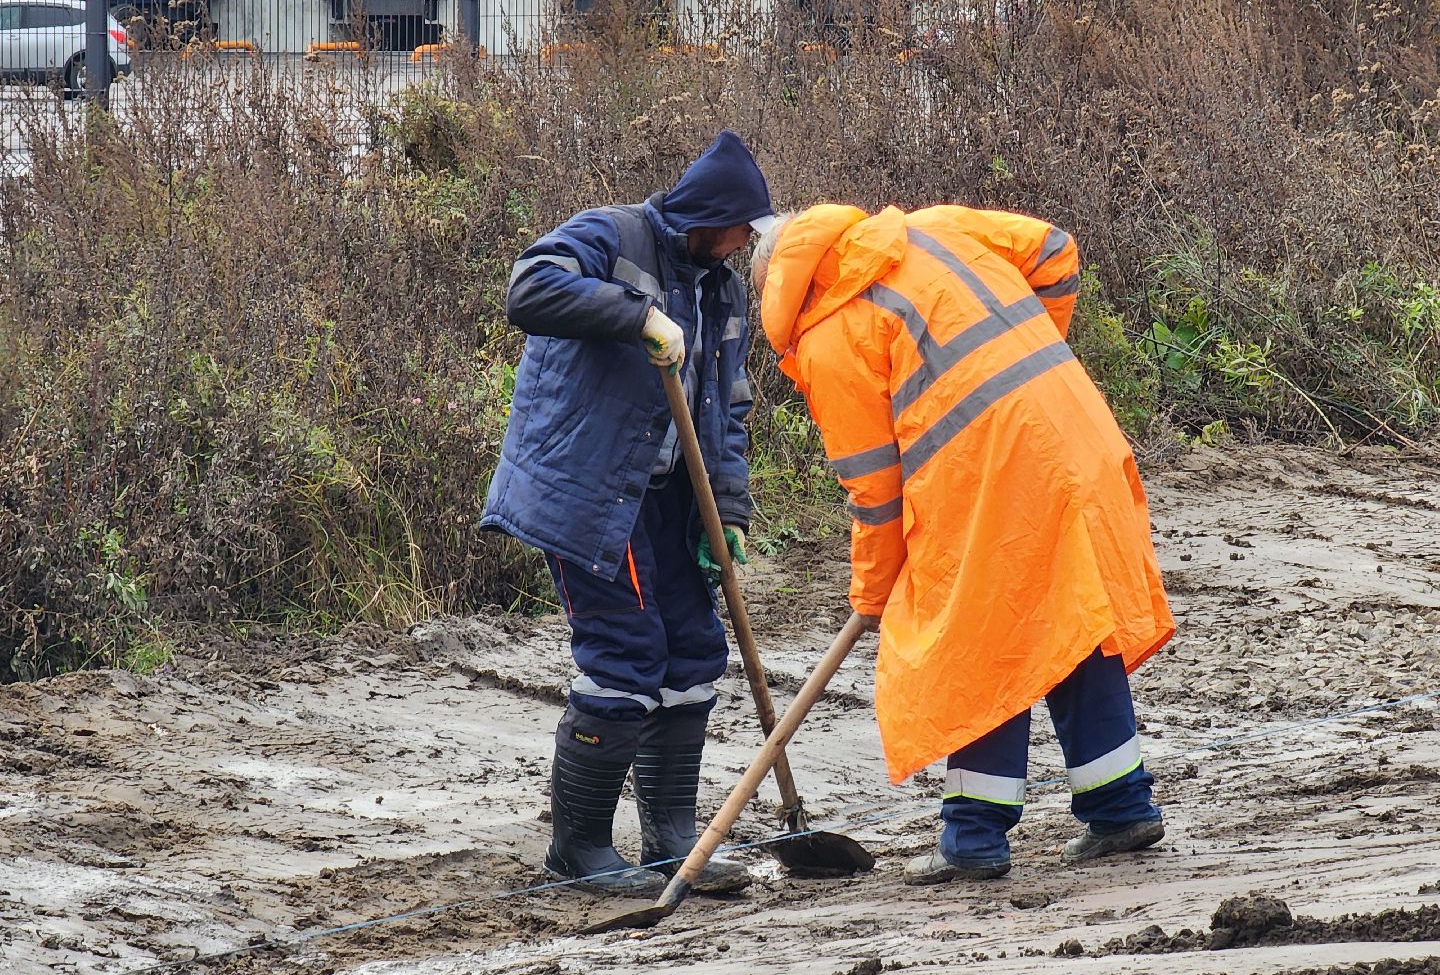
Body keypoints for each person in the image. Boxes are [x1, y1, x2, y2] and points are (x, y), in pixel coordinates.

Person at [751, 203, 1176, 884]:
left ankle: (974, 837)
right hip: (1074, 437)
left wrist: (874, 590)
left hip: (997, 478)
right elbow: (1055, 251)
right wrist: (1029, 368)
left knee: (973, 644)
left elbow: (875, 491)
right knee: (1071, 616)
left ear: (780, 288)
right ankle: (1120, 806)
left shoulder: (832, 336)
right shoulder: (936, 226)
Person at [481, 131, 776, 896]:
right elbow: (528, 289)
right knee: (626, 653)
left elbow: (728, 411)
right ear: (712, 215)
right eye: (745, 226)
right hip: (586, 493)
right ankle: (577, 850)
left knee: (693, 651)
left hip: (671, 502)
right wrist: (637, 315)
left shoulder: (724, 290)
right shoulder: (612, 234)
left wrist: (730, 514)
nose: (749, 242)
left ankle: (674, 838)